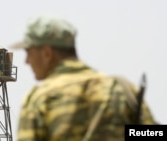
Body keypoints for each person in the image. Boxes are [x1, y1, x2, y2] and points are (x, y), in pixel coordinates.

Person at [12, 16, 157, 141]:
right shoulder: (122, 88)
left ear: (47, 53)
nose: (26, 61)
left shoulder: (40, 98)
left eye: (29, 52)